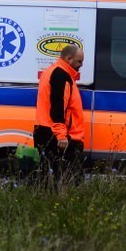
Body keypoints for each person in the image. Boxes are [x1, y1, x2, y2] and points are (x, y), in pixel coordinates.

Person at [34, 44, 85, 185]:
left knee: (48, 179)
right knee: (70, 181)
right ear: (69, 59)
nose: (81, 65)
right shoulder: (61, 76)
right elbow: (57, 107)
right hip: (58, 136)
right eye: (79, 61)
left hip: (45, 131)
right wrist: (61, 135)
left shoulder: (52, 71)